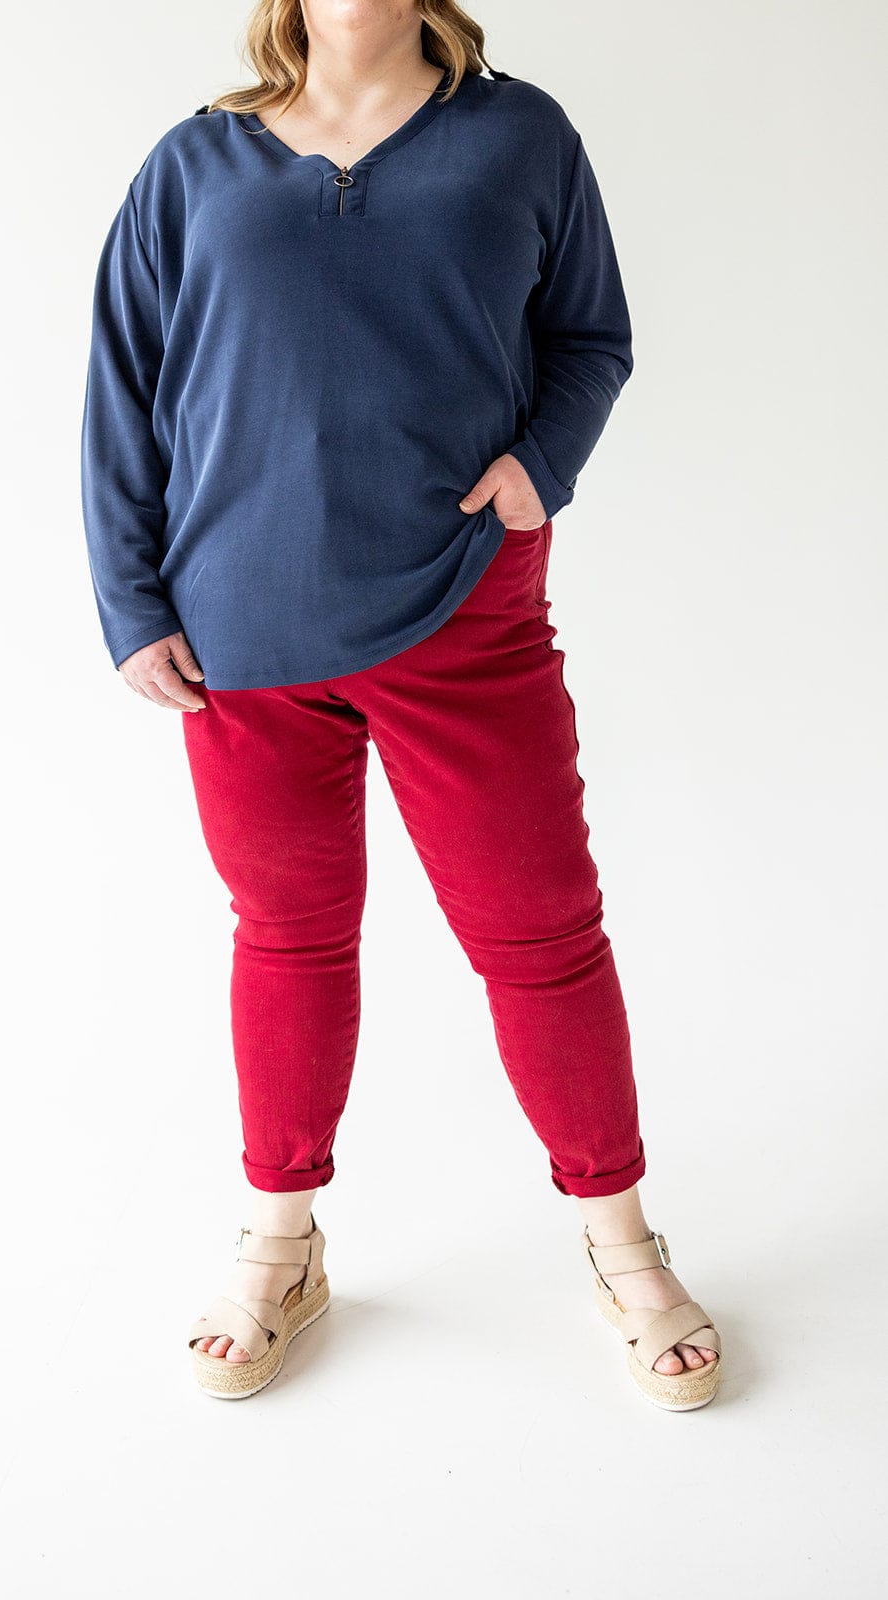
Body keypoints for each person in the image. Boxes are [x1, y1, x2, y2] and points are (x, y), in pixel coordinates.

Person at [80, 0, 722, 1409]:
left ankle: (624, 1246)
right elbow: (122, 386)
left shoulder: (519, 135)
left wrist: (536, 471)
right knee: (289, 941)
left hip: (463, 611)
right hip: (243, 631)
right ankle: (279, 1244)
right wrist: (133, 601)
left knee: (542, 935)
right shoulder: (197, 161)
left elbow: (590, 337)